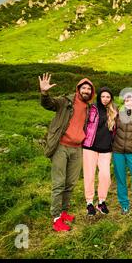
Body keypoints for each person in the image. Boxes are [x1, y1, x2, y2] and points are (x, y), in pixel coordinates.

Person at [39, 73, 95, 232]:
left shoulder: (89, 107)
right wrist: (44, 93)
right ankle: (56, 218)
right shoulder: (66, 101)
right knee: (59, 183)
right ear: (78, 89)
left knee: (70, 183)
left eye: (89, 89)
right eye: (83, 88)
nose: (86, 91)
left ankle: (63, 212)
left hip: (77, 149)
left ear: (91, 92)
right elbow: (49, 104)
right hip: (61, 147)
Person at [82, 87, 118, 216]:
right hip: (90, 147)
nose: (105, 99)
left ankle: (101, 202)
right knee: (89, 175)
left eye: (108, 97)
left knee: (105, 176)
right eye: (103, 96)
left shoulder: (114, 111)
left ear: (111, 98)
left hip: (106, 149)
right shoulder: (91, 108)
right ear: (99, 97)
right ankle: (89, 203)